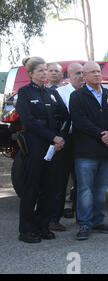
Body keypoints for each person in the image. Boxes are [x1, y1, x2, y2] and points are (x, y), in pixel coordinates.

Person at [15, 56, 70, 243]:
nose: (44, 73)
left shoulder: (51, 93)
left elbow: (66, 116)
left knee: (49, 187)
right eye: (40, 70)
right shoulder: (24, 93)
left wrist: (60, 137)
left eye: (45, 70)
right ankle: (26, 230)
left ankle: (42, 226)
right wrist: (52, 137)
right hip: (35, 143)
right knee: (32, 188)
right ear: (30, 74)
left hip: (54, 145)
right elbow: (29, 121)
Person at [69, 61, 108, 241]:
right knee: (85, 189)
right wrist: (101, 134)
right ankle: (84, 224)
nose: (97, 75)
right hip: (86, 152)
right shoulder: (77, 96)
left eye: (98, 71)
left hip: (105, 152)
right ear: (83, 75)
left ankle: (98, 222)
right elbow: (79, 120)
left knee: (101, 189)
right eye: (92, 72)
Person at [47, 63, 84, 231]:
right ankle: (54, 218)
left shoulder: (88, 93)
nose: (81, 76)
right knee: (60, 181)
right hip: (65, 140)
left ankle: (82, 218)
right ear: (68, 75)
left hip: (83, 140)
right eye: (77, 73)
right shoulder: (60, 93)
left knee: (82, 181)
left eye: (83, 73)